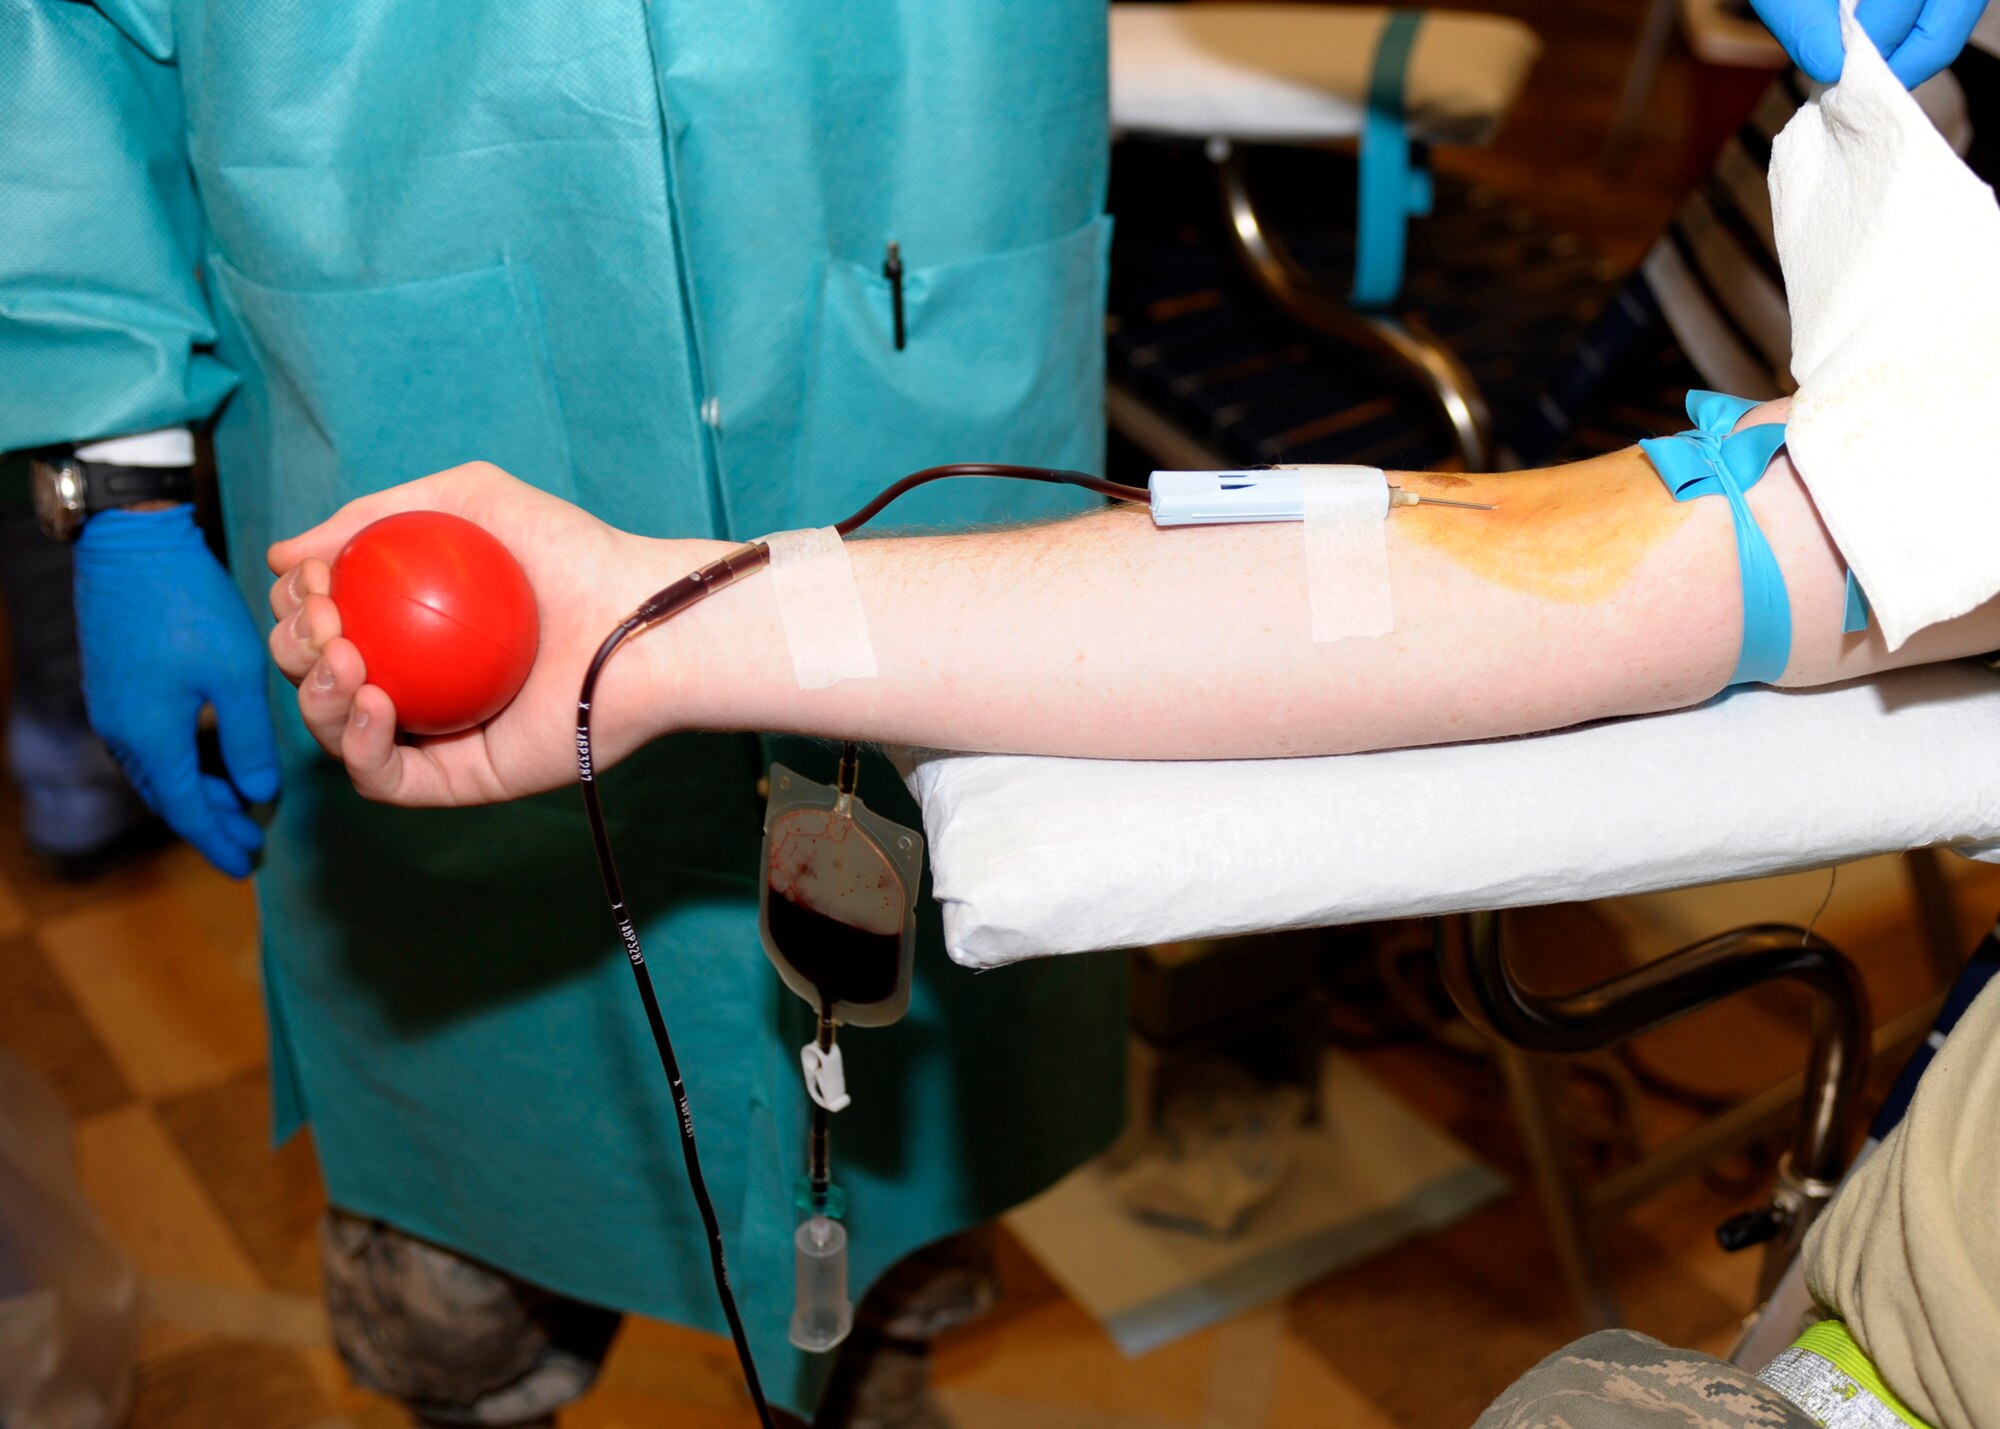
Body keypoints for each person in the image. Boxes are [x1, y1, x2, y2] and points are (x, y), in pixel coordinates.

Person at [1, 3, 1129, 1422]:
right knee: (468, 1252)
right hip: (406, 373)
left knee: (884, 1173)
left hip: (899, 329)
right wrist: (119, 482)